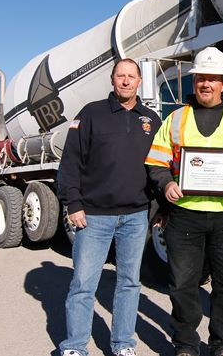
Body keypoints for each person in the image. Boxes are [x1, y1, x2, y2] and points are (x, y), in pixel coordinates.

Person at [145, 47, 223, 356]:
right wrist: (166, 184)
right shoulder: (176, 119)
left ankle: (222, 345)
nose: (206, 84)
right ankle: (186, 345)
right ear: (195, 81)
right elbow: (156, 162)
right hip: (184, 215)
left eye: (213, 79)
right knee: (182, 285)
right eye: (202, 78)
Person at [57, 58, 162, 356]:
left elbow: (160, 168)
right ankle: (75, 346)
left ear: (140, 81)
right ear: (112, 79)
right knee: (83, 283)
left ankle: (123, 343)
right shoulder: (91, 114)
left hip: (136, 216)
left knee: (129, 283)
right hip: (94, 216)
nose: (126, 81)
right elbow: (71, 163)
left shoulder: (151, 120)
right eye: (120, 76)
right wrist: (73, 204)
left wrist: (160, 210)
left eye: (131, 76)